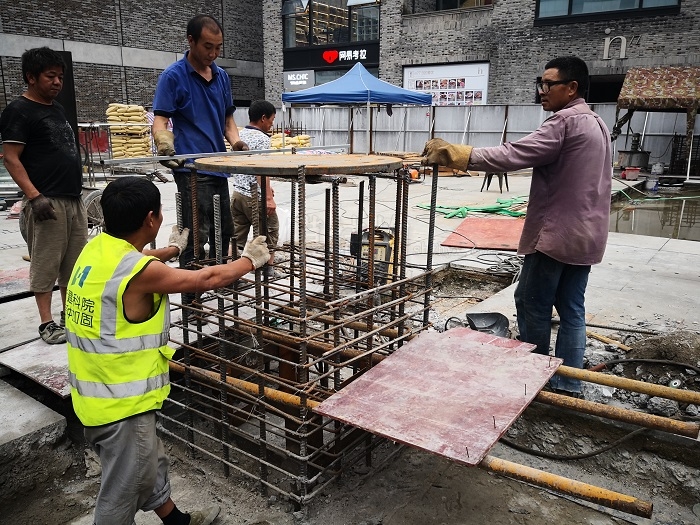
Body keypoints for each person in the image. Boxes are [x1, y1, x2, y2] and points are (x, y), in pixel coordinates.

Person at [65, 176, 270, 525]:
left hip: (94, 395)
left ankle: (178, 521)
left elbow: (139, 257)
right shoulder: (140, 273)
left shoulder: (96, 249)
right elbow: (205, 279)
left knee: (149, 461)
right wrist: (249, 260)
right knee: (124, 489)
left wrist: (172, 251)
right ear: (151, 219)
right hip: (122, 405)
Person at [422, 56, 612, 396]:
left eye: (548, 84)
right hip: (587, 235)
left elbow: (513, 154)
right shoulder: (597, 123)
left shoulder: (564, 122)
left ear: (571, 88)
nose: (542, 91)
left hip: (556, 236)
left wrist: (458, 154)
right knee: (572, 309)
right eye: (541, 83)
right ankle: (568, 383)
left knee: (532, 302)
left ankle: (532, 377)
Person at [0, 47, 88, 344]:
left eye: (60, 76)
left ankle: (69, 315)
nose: (57, 82)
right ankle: (46, 324)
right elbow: (11, 158)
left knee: (73, 264)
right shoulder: (19, 110)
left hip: (72, 198)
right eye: (50, 76)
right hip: (46, 200)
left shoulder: (57, 109)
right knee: (46, 263)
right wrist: (35, 197)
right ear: (31, 77)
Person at [152, 14, 248, 268]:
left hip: (218, 166)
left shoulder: (221, 76)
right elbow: (161, 119)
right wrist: (164, 144)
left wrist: (236, 142)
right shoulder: (174, 76)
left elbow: (228, 120)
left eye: (218, 47)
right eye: (208, 47)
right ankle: (191, 287)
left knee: (224, 231)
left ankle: (219, 280)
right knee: (195, 235)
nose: (213, 54)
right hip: (192, 169)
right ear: (191, 41)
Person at [231, 100, 278, 276]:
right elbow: (260, 170)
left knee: (236, 237)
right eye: (272, 119)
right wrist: (268, 198)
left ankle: (231, 274)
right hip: (254, 197)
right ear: (263, 118)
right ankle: (266, 269)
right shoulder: (262, 139)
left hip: (237, 194)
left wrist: (268, 189)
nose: (272, 123)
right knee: (269, 232)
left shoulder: (239, 136)